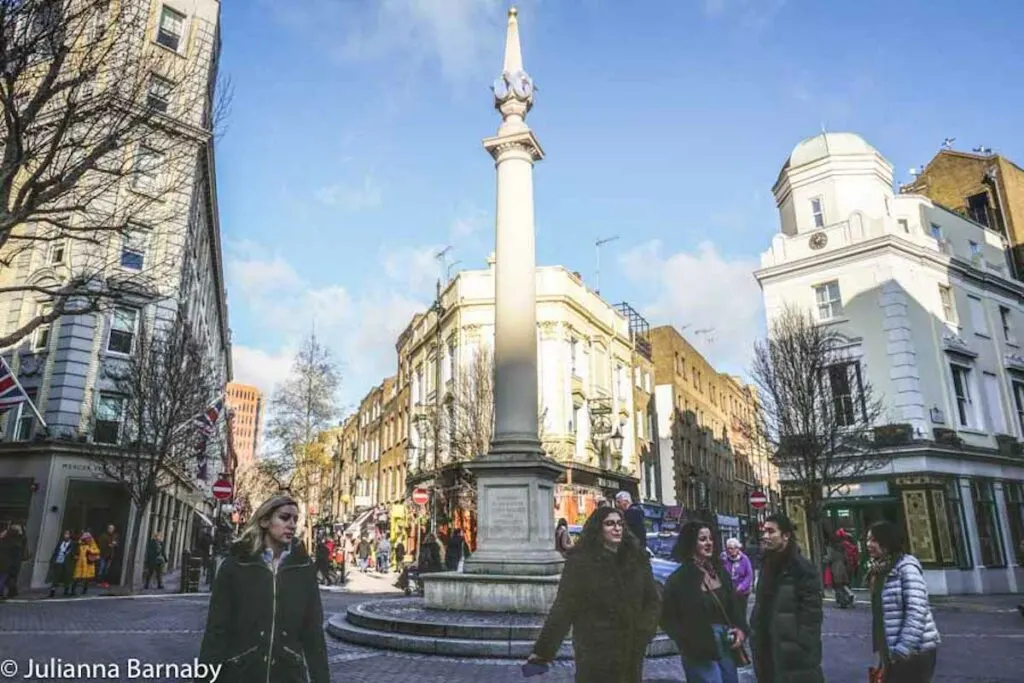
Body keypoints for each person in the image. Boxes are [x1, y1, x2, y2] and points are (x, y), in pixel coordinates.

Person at [198, 494, 328, 683]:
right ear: (265, 520)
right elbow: (217, 631)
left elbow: (313, 633)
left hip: (288, 674)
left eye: (295, 519)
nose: (291, 524)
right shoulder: (236, 566)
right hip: (241, 673)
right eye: (284, 518)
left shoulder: (303, 568)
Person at [527, 506, 660, 683]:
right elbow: (564, 607)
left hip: (630, 648)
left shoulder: (638, 559)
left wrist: (644, 631)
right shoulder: (580, 562)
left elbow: (652, 600)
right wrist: (543, 651)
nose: (617, 528)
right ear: (598, 528)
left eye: (620, 524)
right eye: (610, 524)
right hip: (595, 651)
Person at [662, 521, 749, 683]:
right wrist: (687, 641)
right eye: (702, 539)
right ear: (691, 543)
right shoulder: (679, 579)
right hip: (699, 647)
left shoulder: (720, 572)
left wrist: (740, 629)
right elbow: (667, 617)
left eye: (710, 539)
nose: (708, 543)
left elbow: (734, 606)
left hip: (725, 644)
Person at [750, 514, 823, 683]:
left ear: (786, 536)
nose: (765, 536)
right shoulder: (766, 565)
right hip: (767, 653)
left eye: (770, 531)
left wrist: (801, 647)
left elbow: (811, 618)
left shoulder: (802, 569)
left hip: (795, 660)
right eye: (764, 531)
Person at [867, 521, 940, 683]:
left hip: (914, 653)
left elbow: (917, 611)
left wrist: (903, 649)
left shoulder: (906, 568)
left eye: (873, 540)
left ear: (886, 542)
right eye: (868, 540)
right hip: (891, 651)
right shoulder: (879, 571)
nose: (868, 545)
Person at [721, 537, 754, 615]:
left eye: (733, 548)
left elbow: (749, 575)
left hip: (742, 593)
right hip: (729, 592)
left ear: (738, 548)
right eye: (729, 548)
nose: (731, 550)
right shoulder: (724, 558)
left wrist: (741, 587)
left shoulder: (744, 559)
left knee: (741, 613)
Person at [827, 529, 855, 608]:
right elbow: (846, 558)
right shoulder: (842, 547)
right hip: (842, 567)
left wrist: (825, 560)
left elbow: (829, 558)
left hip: (835, 567)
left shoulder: (831, 548)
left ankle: (843, 601)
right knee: (843, 584)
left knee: (838, 586)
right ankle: (849, 595)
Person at [0, 524, 28, 599]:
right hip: (10, 564)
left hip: (5, 562)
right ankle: (8, 593)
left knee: (5, 578)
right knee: (5, 578)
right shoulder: (17, 543)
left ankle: (11, 592)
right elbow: (18, 556)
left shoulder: (5, 539)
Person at [47, 530, 77, 598]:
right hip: (58, 561)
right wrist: (52, 560)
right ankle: (52, 591)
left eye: (67, 534)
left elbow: (74, 553)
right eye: (65, 534)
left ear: (70, 535)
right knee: (56, 577)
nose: (66, 535)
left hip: (67, 563)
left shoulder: (72, 544)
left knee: (67, 577)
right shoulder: (60, 542)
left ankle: (66, 589)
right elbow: (56, 551)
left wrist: (72, 555)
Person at [71, 531, 100, 596]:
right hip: (80, 563)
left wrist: (91, 551)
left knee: (87, 577)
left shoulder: (92, 544)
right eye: (86, 538)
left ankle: (84, 590)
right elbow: (75, 551)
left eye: (88, 538)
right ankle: (73, 590)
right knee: (77, 576)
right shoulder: (80, 544)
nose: (87, 539)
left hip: (88, 563)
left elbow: (97, 551)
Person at [96, 524, 119, 589]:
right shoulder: (103, 535)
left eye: (112, 528)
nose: (111, 529)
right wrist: (108, 545)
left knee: (107, 569)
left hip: (110, 554)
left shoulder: (115, 536)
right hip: (103, 554)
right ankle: (99, 582)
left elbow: (117, 544)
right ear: (107, 529)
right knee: (101, 568)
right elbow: (100, 544)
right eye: (110, 528)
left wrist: (115, 544)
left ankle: (104, 582)